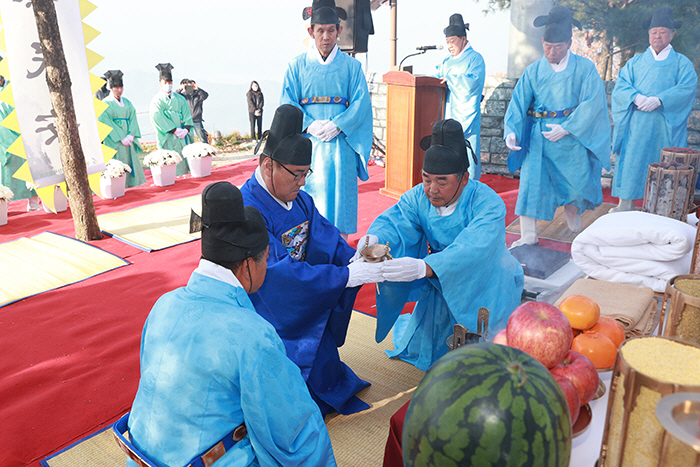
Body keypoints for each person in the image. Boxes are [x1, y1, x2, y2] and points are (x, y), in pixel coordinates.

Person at [126, 181, 336, 467]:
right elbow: (287, 425)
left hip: (141, 454)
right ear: (248, 262)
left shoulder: (163, 303)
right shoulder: (252, 334)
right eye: (266, 259)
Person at [241, 104, 385, 416]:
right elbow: (275, 274)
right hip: (266, 305)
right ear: (268, 166)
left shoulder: (300, 200)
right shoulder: (248, 208)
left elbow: (327, 240)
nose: (303, 183)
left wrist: (356, 258)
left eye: (306, 173)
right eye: (297, 174)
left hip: (301, 292)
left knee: (321, 350)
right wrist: (345, 278)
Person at [364, 119, 524, 371]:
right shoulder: (418, 197)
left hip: (486, 279)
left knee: (486, 361)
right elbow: (395, 222)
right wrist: (371, 241)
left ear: (463, 179)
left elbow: (474, 247)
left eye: (442, 181)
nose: (432, 189)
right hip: (441, 279)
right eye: (426, 179)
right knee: (430, 352)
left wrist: (425, 267)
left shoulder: (487, 203)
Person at [503, 6, 611, 246]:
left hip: (570, 136)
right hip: (539, 138)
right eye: (547, 46)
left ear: (569, 43)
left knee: (578, 183)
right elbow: (519, 103)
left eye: (558, 47)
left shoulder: (584, 68)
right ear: (542, 42)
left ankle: (573, 208)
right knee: (531, 185)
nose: (552, 52)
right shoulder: (533, 71)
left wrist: (568, 127)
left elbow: (592, 102)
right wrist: (511, 131)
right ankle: (528, 236)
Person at [280, 0, 373, 239]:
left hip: (340, 144)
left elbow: (361, 103)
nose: (326, 36)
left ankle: (339, 250)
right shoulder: (296, 66)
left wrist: (338, 124)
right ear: (311, 32)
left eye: (331, 30)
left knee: (339, 196)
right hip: (307, 143)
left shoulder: (352, 67)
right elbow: (288, 102)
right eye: (320, 30)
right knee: (307, 194)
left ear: (339, 31)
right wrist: (309, 124)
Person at [610, 6, 698, 212]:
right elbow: (621, 86)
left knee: (665, 164)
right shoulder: (635, 62)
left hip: (664, 123)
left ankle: (663, 207)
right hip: (637, 124)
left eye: (662, 32)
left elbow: (686, 88)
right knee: (632, 159)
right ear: (648, 34)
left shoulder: (681, 63)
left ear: (672, 34)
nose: (657, 36)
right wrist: (635, 97)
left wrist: (660, 99)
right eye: (653, 32)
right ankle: (626, 204)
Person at [434, 13, 485, 181]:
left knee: (467, 156)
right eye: (447, 42)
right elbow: (436, 79)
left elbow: (473, 85)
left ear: (464, 38)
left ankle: (470, 190)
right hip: (447, 112)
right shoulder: (446, 61)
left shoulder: (475, 59)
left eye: (452, 41)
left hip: (465, 113)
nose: (449, 46)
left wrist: (452, 80)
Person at [98, 70, 146, 188]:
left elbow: (132, 119)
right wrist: (120, 137)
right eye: (116, 87)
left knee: (130, 159)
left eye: (121, 87)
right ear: (110, 88)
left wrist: (131, 135)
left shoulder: (128, 103)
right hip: (114, 140)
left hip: (128, 137)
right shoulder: (106, 103)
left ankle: (132, 183)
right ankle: (117, 186)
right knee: (117, 162)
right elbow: (105, 121)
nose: (119, 90)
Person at [0, 70, 40, 210]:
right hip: (7, 136)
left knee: (32, 169)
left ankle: (33, 203)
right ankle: (5, 207)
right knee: (7, 173)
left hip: (25, 132)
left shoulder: (13, 87)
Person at [149, 63, 193, 176]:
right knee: (169, 160)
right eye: (165, 82)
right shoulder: (157, 100)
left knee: (183, 160)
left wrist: (186, 129)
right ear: (160, 83)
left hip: (182, 135)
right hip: (167, 135)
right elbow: (157, 116)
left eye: (170, 82)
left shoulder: (180, 98)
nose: (168, 85)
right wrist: (174, 130)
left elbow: (187, 113)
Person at [176, 78, 210, 143]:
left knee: (202, 137)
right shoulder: (183, 96)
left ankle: (207, 150)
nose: (189, 88)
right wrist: (180, 89)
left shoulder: (198, 95)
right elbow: (174, 96)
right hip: (186, 120)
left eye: (190, 86)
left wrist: (198, 89)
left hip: (197, 119)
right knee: (186, 138)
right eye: (187, 86)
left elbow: (205, 95)